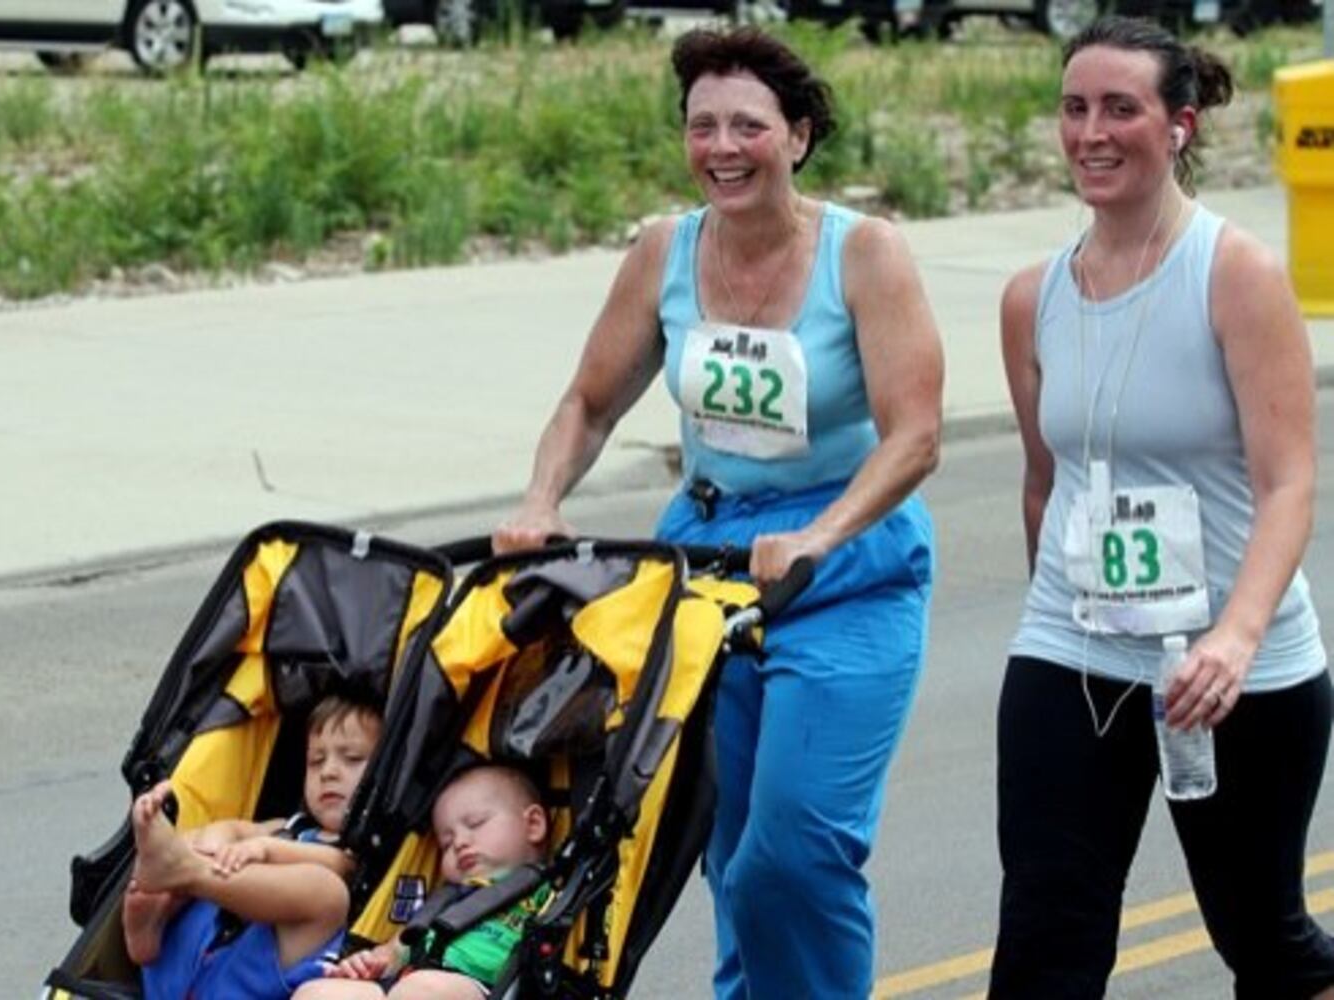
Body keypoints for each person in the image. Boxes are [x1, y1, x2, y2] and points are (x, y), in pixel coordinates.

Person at [492, 26, 942, 1000]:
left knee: (797, 850)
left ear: (800, 137)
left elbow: (916, 436)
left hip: (844, 563)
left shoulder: (865, 255)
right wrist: (542, 499)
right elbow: (590, 402)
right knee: (728, 850)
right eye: (703, 127)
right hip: (702, 567)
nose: (723, 147)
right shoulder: (666, 249)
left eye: (748, 125)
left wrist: (819, 535)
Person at [993, 15, 1334, 998]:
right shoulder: (1033, 298)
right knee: (1045, 938)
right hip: (1076, 649)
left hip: (1238, 668)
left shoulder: (1235, 274)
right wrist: (1049, 621)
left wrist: (1233, 635)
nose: (1091, 132)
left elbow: (1290, 483)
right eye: (1074, 108)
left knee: (1261, 939)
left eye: (1120, 108)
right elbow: (1044, 482)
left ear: (1179, 125)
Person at [123, 694, 382, 1000]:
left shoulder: (361, 850)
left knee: (328, 892)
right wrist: (213, 843)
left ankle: (183, 872)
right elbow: (235, 828)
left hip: (254, 973)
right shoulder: (288, 826)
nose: (328, 772)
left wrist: (266, 850)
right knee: (201, 840)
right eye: (316, 761)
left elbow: (339, 865)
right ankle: (148, 929)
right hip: (191, 961)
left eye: (351, 758)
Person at [293, 763, 551, 1000]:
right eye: (446, 844)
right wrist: (372, 962)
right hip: (408, 980)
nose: (460, 843)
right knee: (317, 992)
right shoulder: (445, 898)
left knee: (423, 989)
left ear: (534, 824)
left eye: (476, 823)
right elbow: (395, 950)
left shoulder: (548, 892)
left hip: (482, 987)